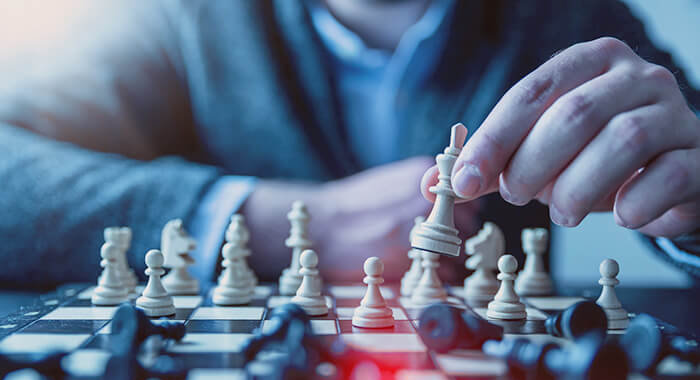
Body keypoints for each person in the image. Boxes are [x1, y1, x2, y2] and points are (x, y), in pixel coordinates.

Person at [0, 0, 697, 288]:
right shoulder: (174, 20)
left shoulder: (569, 17)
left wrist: (694, 213)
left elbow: (683, 150)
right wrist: (280, 224)